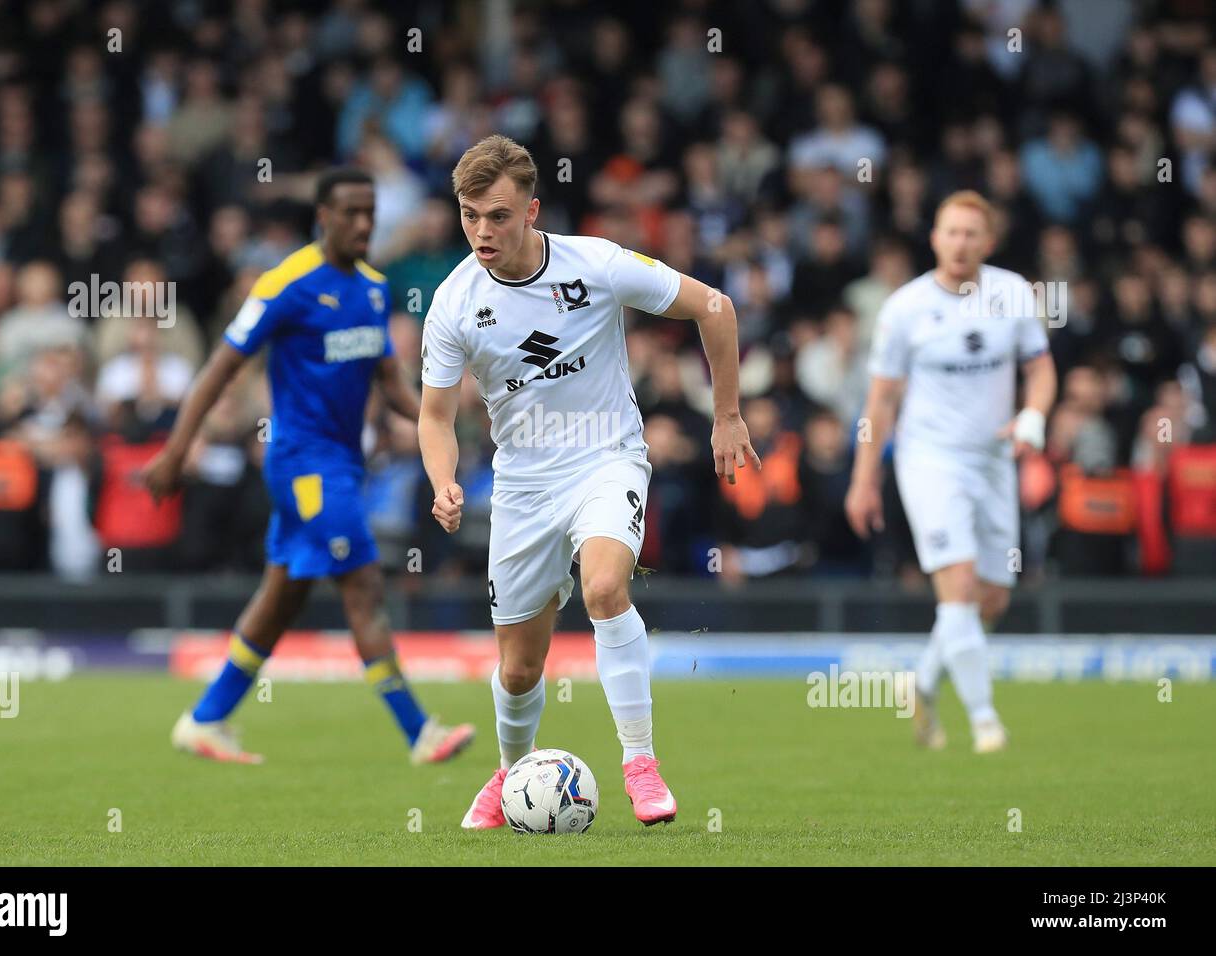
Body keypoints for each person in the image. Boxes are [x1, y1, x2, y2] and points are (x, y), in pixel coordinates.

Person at [417, 135, 758, 827]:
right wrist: (442, 479)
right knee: (518, 669)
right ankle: (513, 773)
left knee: (605, 587)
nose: (483, 231)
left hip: (607, 457)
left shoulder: (595, 263)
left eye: (499, 216)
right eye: (470, 215)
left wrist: (726, 414)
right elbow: (434, 415)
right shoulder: (452, 303)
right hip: (522, 484)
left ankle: (641, 763)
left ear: (532, 210)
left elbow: (714, 307)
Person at [143, 168, 474, 766]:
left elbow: (391, 382)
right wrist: (172, 452)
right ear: (323, 217)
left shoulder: (373, 290)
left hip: (344, 463)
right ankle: (419, 731)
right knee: (364, 583)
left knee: (283, 596)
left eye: (370, 212)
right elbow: (216, 371)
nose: (364, 224)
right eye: (350, 212)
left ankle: (205, 719)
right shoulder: (286, 285)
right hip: (304, 465)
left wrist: (443, 415)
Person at [845, 190, 1057, 754]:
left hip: (993, 461)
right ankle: (986, 722)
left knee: (992, 600)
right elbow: (881, 403)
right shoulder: (906, 309)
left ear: (987, 241)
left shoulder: (1012, 293)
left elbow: (1040, 369)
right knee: (958, 587)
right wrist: (865, 479)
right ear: (934, 237)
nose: (960, 243)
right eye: (951, 232)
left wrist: (1033, 415)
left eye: (972, 233)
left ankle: (920, 683)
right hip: (930, 461)